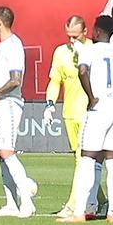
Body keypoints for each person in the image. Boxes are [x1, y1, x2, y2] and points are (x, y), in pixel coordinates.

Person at [60, 4, 113, 224]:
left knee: (87, 158)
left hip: (100, 107)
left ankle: (79, 212)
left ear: (98, 31)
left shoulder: (90, 49)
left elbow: (82, 71)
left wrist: (91, 97)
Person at [0, 5, 39, 217]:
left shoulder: (13, 45)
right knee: (0, 154)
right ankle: (10, 204)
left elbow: (16, 80)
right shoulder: (2, 46)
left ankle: (26, 201)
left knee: (7, 151)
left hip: (8, 104)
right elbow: (3, 76)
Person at [47, 13, 90, 154]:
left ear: (85, 32)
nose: (72, 41)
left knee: (86, 154)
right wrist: (50, 104)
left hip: (90, 111)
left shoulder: (95, 48)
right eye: (69, 36)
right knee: (77, 153)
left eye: (75, 37)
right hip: (70, 112)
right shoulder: (61, 52)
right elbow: (55, 81)